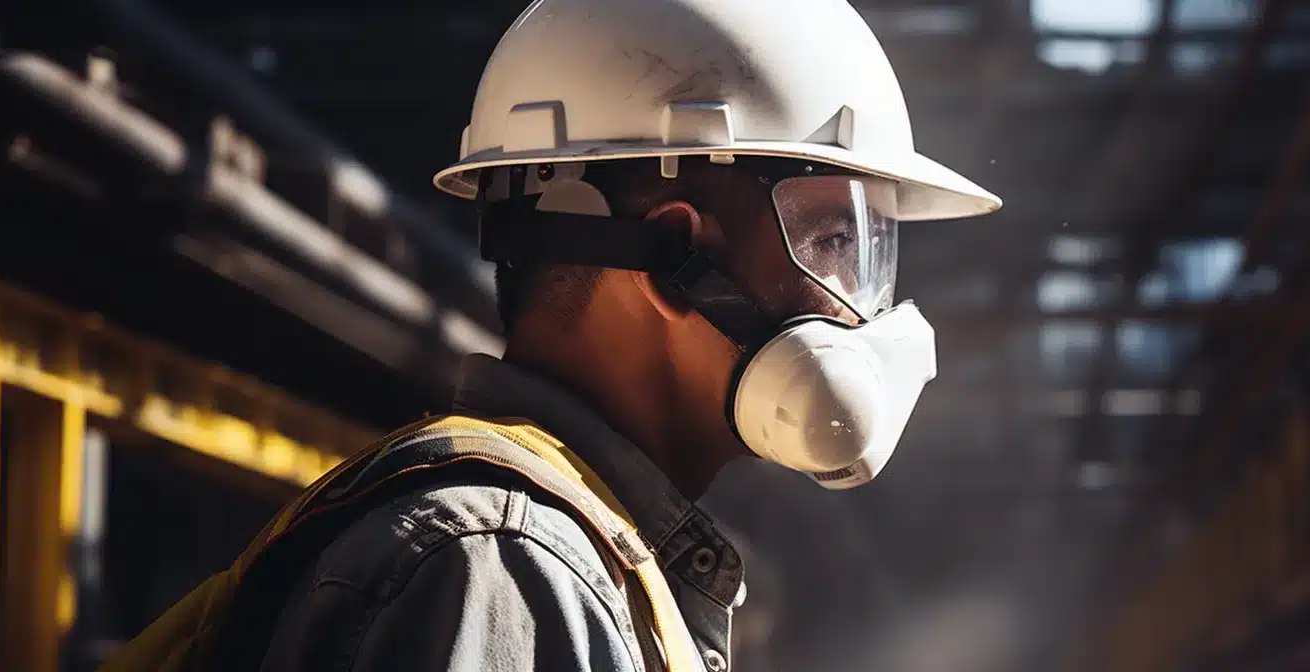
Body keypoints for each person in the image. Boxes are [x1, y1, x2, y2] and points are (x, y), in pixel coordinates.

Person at [103, 0, 999, 670]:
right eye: (833, 243)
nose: (860, 310)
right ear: (674, 259)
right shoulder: (501, 568)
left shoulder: (570, 560)